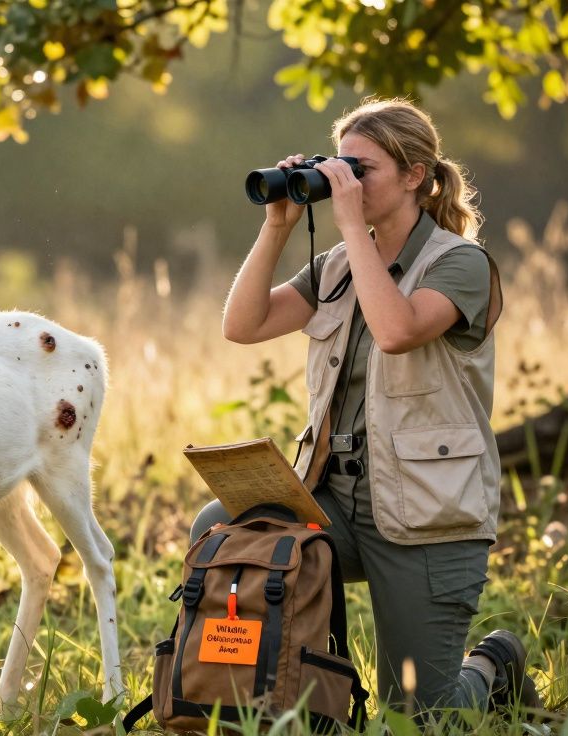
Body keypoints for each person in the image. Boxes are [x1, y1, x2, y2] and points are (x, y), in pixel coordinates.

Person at [191, 98, 541, 716]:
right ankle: (283, 703)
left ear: (414, 176)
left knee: (421, 719)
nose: (343, 182)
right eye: (338, 167)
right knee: (225, 524)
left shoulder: (461, 264)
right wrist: (277, 225)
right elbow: (242, 325)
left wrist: (352, 227)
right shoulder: (335, 268)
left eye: (361, 169)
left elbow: (397, 329)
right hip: (336, 502)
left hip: (428, 515)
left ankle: (493, 667)